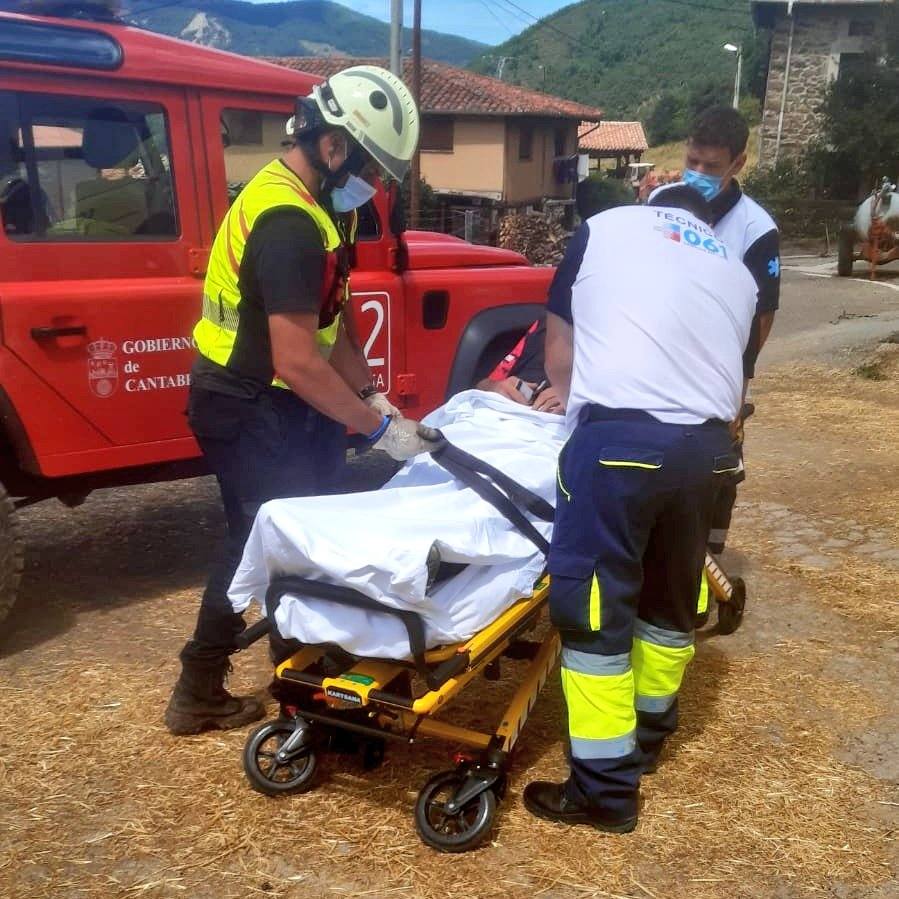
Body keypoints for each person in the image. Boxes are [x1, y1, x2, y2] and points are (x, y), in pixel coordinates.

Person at [165, 66, 438, 736]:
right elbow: (295, 358)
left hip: (273, 402)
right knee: (264, 540)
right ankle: (207, 687)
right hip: (249, 402)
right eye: (372, 168)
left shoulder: (316, 208)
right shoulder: (287, 221)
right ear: (333, 147)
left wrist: (374, 393)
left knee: (299, 539)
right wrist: (376, 429)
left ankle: (303, 671)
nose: (373, 187)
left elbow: (331, 322)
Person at [522, 185, 758, 832]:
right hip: (707, 452)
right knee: (669, 602)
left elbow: (559, 355)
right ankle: (647, 742)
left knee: (595, 618)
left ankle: (603, 790)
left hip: (620, 446)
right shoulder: (734, 269)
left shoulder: (603, 228)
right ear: (701, 222)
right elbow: (731, 371)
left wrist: (568, 413)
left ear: (656, 205)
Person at [680, 106, 780, 554]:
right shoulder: (661, 204)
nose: (697, 174)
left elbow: (762, 316)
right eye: (692, 162)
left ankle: (708, 559)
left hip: (718, 367)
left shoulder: (756, 229)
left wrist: (735, 389)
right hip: (661, 356)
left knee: (718, 468)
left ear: (738, 163)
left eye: (711, 167)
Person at [476, 180, 635, 415]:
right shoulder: (545, 326)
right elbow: (483, 384)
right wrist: (497, 388)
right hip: (504, 424)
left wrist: (575, 398)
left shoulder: (627, 340)